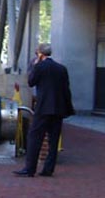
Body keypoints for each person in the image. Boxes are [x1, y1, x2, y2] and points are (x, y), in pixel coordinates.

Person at [14, 43, 74, 177]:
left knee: (35, 136)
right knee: (54, 140)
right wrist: (67, 108)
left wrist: (34, 66)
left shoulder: (39, 66)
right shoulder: (61, 68)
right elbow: (66, 89)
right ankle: (48, 169)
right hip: (58, 109)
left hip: (43, 107)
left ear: (40, 54)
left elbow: (31, 82)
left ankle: (30, 168)